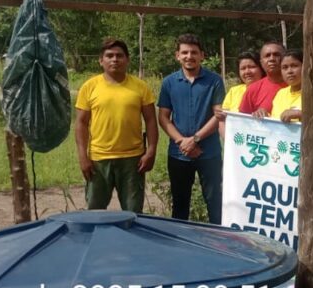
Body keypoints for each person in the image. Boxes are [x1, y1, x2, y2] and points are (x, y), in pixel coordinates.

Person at [74, 38, 158, 213]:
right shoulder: (89, 87)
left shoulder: (140, 87)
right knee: (95, 212)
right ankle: (96, 241)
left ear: (127, 60)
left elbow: (151, 120)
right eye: (109, 56)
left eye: (119, 55)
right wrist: (83, 156)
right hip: (99, 160)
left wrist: (151, 151)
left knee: (133, 213)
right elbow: (81, 123)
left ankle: (132, 241)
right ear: (101, 60)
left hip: (133, 160)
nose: (114, 59)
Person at [157, 34, 226, 224]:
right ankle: (179, 246)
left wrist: (195, 139)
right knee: (180, 204)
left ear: (202, 55)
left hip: (209, 152)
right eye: (185, 52)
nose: (189, 56)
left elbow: (218, 115)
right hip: (178, 153)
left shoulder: (215, 81)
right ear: (177, 56)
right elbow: (163, 117)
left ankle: (218, 244)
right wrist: (182, 141)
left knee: (215, 202)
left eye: (194, 52)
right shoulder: (169, 82)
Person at [238, 41, 286, 114]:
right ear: (261, 62)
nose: (272, 59)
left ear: (285, 58)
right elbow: (243, 121)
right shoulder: (253, 89)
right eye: (267, 56)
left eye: (276, 54)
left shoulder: (301, 85)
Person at [258, 48, 302, 121]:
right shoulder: (281, 94)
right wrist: (264, 115)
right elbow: (276, 121)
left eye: (294, 66)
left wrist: (301, 114)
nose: (289, 71)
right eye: (285, 67)